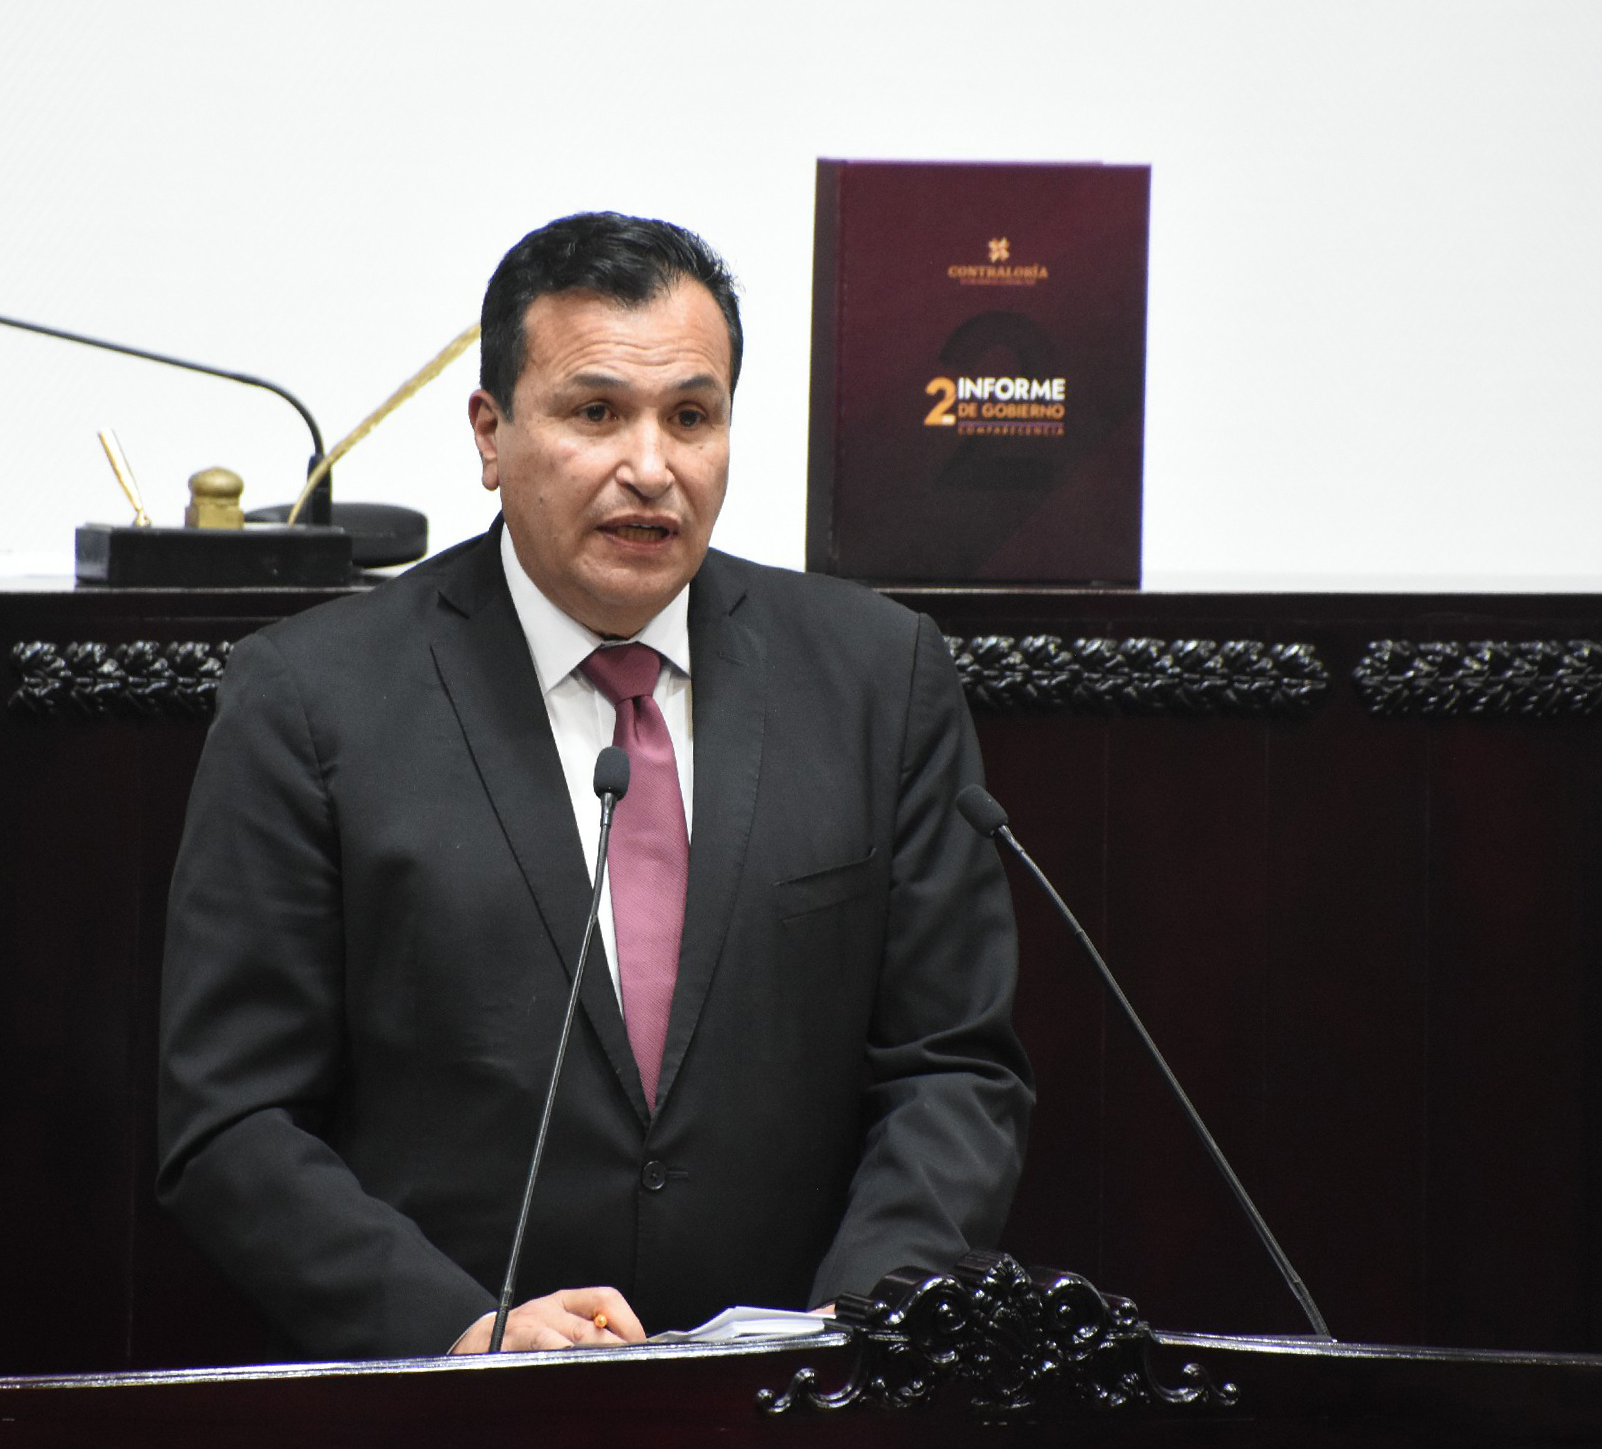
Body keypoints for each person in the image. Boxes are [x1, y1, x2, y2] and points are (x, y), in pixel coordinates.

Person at [157, 212, 1033, 1360]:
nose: (651, 467)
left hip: (799, 1397)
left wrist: (862, 1322)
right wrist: (461, 1329)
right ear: (491, 433)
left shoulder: (877, 675)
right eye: (596, 413)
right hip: (458, 1402)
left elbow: (953, 1066)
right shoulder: (313, 700)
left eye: (691, 417)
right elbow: (232, 1118)